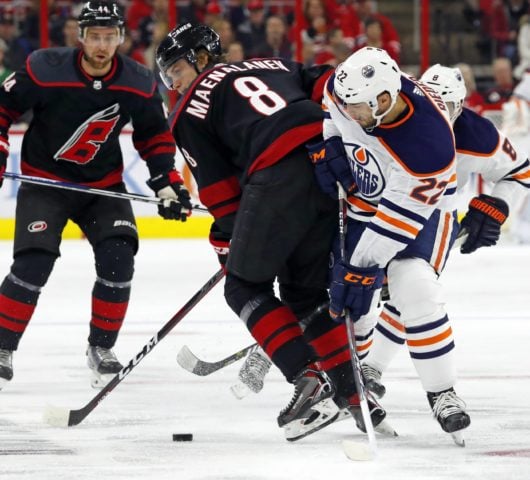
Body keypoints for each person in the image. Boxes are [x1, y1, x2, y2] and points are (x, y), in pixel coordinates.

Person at [156, 22, 390, 440]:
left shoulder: (188, 108)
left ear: (203, 58)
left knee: (243, 286)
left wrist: (230, 239)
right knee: (306, 296)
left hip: (277, 176)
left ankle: (308, 380)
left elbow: (219, 191)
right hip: (328, 170)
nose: (173, 82)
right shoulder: (272, 63)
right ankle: (357, 397)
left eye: (175, 68)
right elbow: (328, 80)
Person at [0, 1, 192, 391]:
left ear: (120, 37)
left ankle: (100, 348)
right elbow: (3, 109)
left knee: (118, 258)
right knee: (33, 265)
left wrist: (167, 182)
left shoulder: (137, 80)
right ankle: (2, 348)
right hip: (45, 183)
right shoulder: (44, 68)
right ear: (80, 36)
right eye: (95, 36)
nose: (102, 45)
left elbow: (153, 135)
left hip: (102, 187)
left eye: (110, 36)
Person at [310, 47, 470, 444]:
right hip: (360, 210)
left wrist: (362, 268)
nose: (351, 113)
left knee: (415, 287)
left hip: (409, 215)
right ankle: (355, 379)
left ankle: (442, 392)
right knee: (351, 311)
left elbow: (396, 225)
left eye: (359, 108)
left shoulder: (430, 146)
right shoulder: (349, 89)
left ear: (385, 100)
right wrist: (331, 144)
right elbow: (332, 107)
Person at [361, 64, 530, 408]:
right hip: (381, 203)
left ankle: (371, 370)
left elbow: (520, 170)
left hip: (436, 212)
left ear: (461, 106)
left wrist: (495, 207)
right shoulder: (394, 113)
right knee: (354, 279)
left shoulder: (477, 135)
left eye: (448, 107)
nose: (439, 114)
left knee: (411, 292)